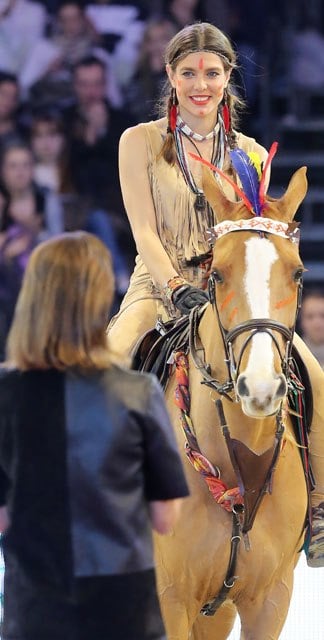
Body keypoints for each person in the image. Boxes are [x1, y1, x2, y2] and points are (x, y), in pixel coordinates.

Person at [107, 21, 324, 567]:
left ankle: (318, 508)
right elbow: (144, 232)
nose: (200, 84)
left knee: (313, 374)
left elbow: (254, 235)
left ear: (228, 77)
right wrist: (177, 287)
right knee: (107, 363)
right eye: (188, 73)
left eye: (211, 72)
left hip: (230, 293)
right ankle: (100, 504)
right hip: (159, 286)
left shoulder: (249, 153)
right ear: (171, 76)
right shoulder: (140, 141)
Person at [0, 231, 189, 640]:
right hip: (123, 608)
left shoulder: (6, 392)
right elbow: (165, 517)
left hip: (35, 606)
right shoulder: (138, 392)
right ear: (100, 298)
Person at [299, 287, 324, 368]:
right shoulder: (293, 356)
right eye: (310, 316)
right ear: (301, 321)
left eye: (323, 316)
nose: (317, 324)